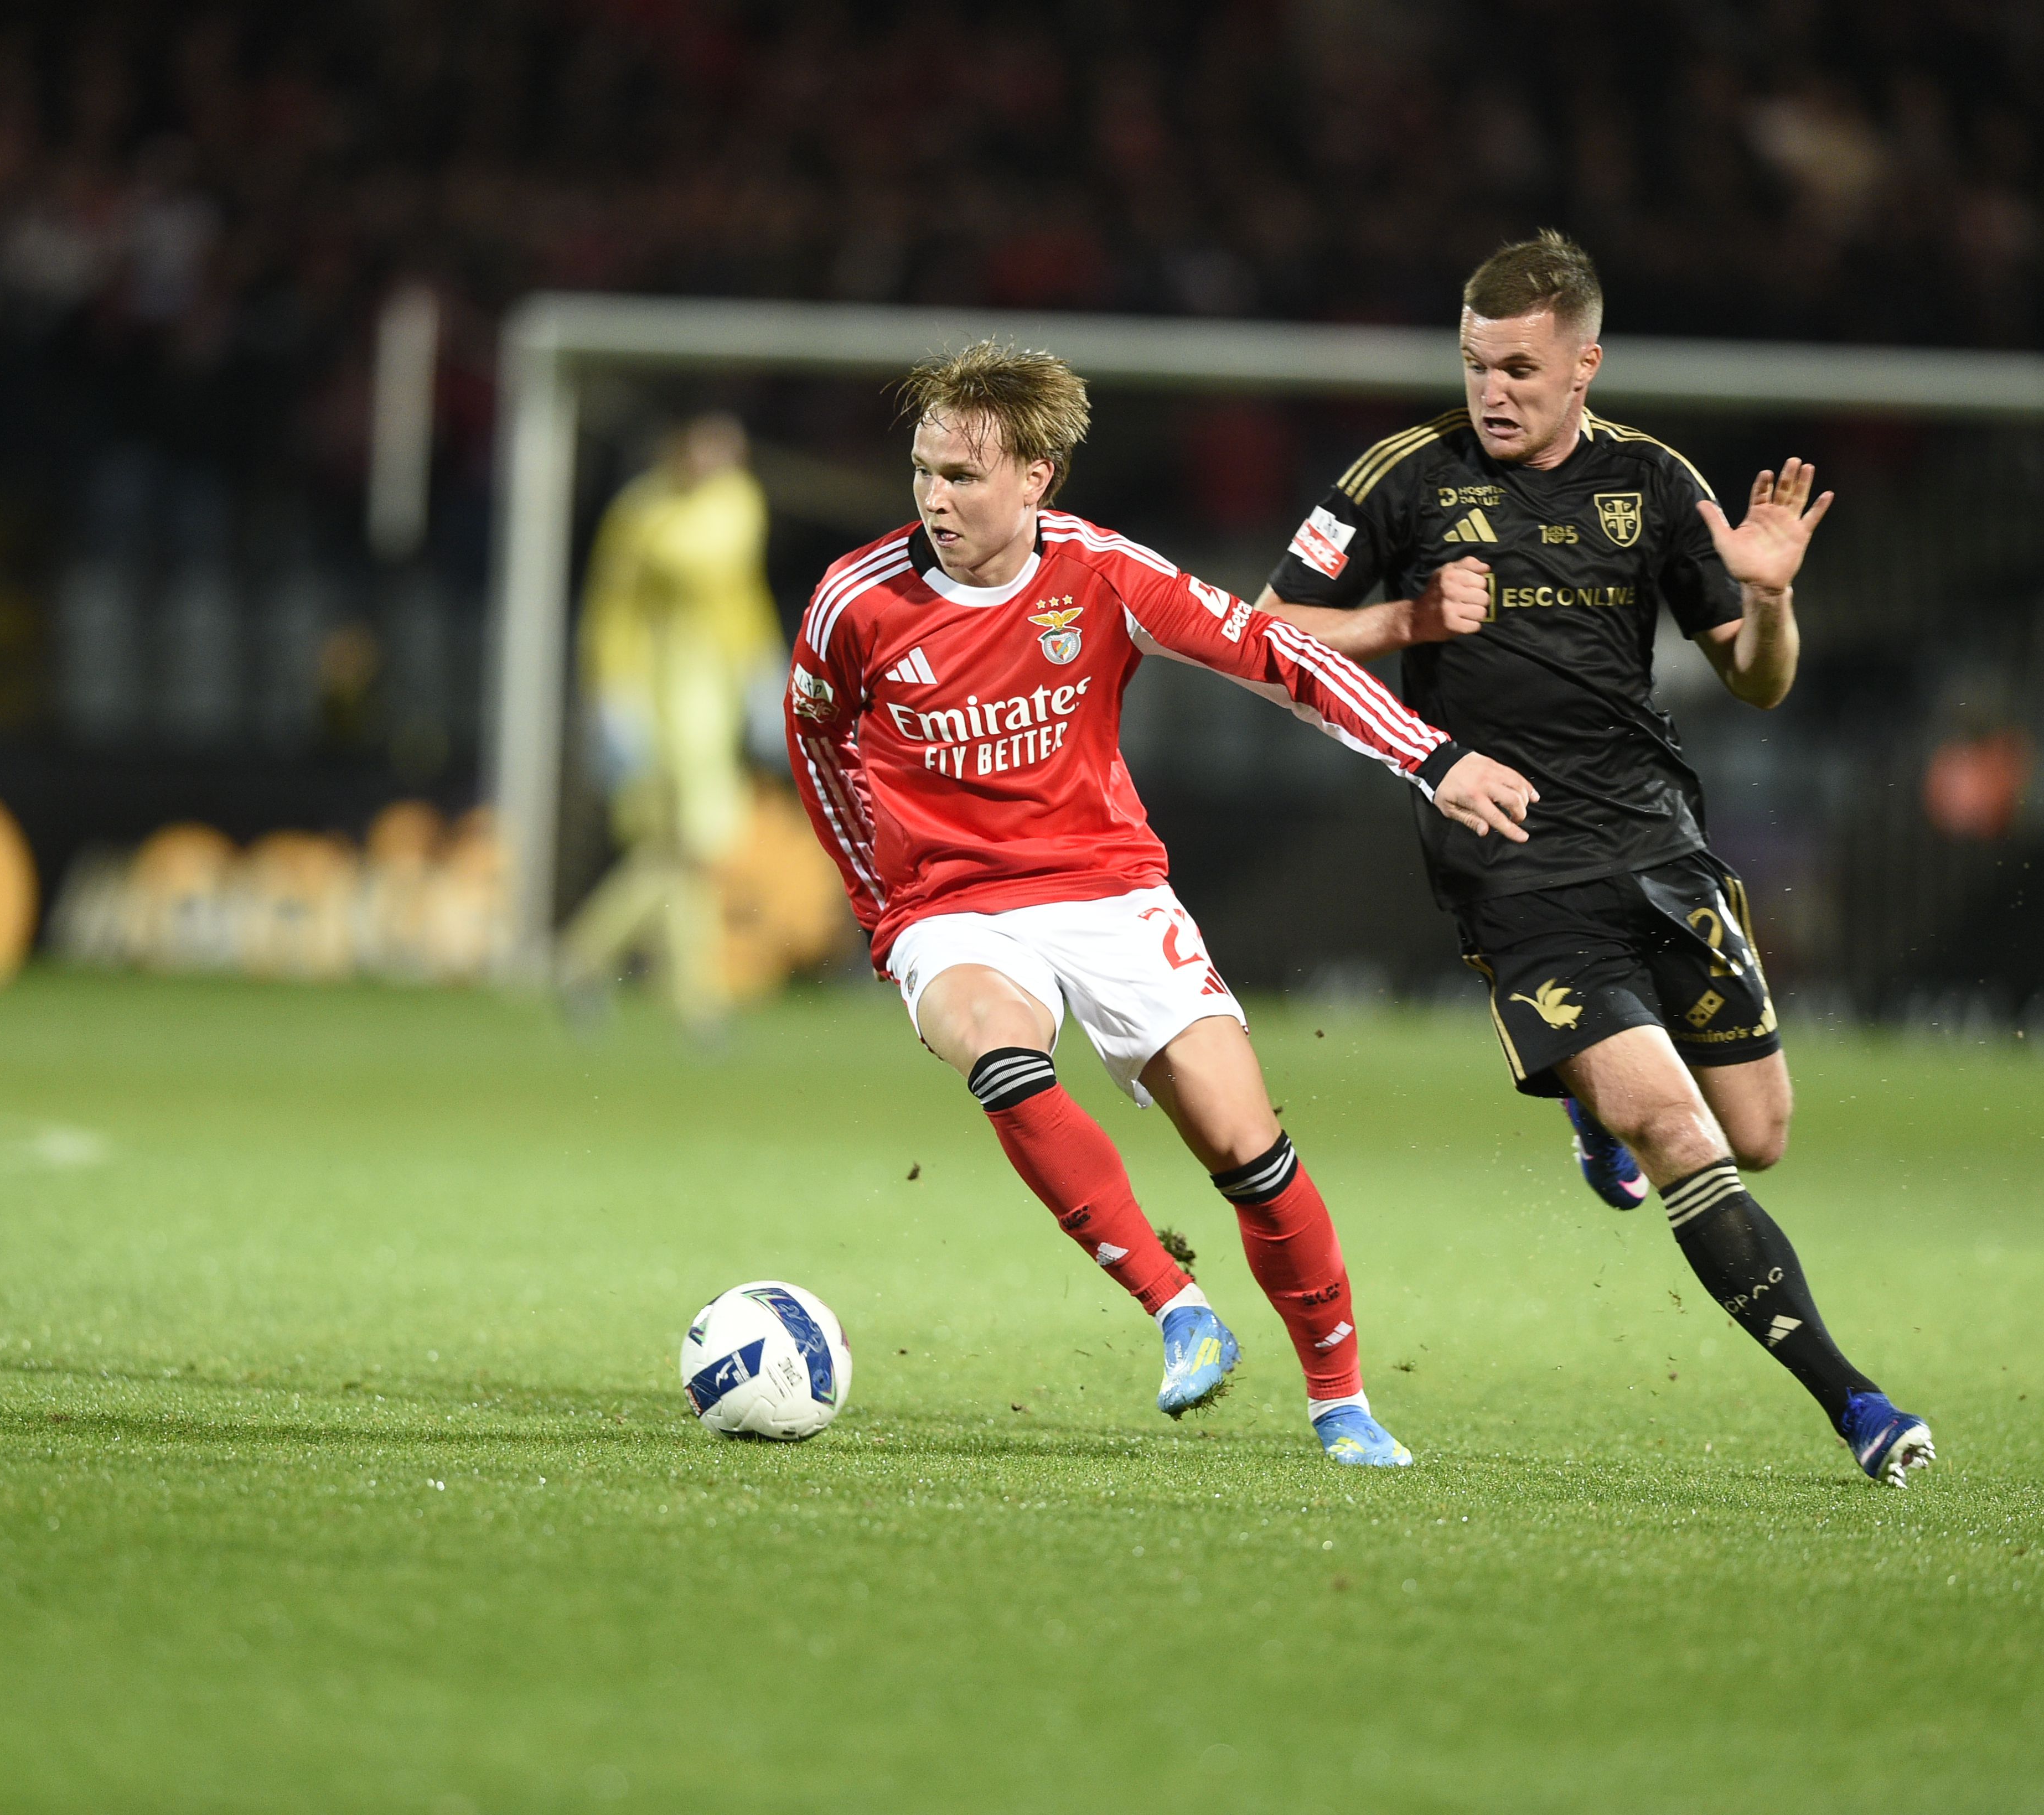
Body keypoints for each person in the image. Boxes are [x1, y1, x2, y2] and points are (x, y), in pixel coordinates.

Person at [1254, 232, 1936, 1486]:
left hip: (1659, 843)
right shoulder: (1403, 476)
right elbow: (1264, 631)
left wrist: (1770, 597)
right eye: (1475, 365)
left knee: (1756, 1134)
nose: (1490, 391)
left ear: (1584, 366)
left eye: (1518, 369)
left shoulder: (1655, 481)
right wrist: (1405, 619)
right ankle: (1859, 1404)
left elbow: (1758, 682)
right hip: (1509, 860)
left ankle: (1587, 1098)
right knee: (1675, 1128)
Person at [785, 341, 1538, 1467]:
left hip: (1108, 889)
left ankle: (1339, 1401)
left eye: (963, 476)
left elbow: (1276, 655)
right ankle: (1177, 1306)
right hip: (953, 906)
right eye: (924, 471)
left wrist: (1431, 759)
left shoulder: (1100, 572)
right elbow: (815, 739)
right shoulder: (857, 600)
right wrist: (881, 911)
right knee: (998, 1049)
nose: (935, 498)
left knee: (1246, 1146)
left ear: (1034, 477)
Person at [562, 413, 783, 1033]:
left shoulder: (739, 503)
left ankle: (583, 961)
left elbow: (742, 594)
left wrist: (762, 666)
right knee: (687, 848)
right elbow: (612, 607)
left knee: (680, 853)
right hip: (656, 692)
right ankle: (695, 999)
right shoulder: (641, 515)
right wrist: (613, 694)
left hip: (715, 694)